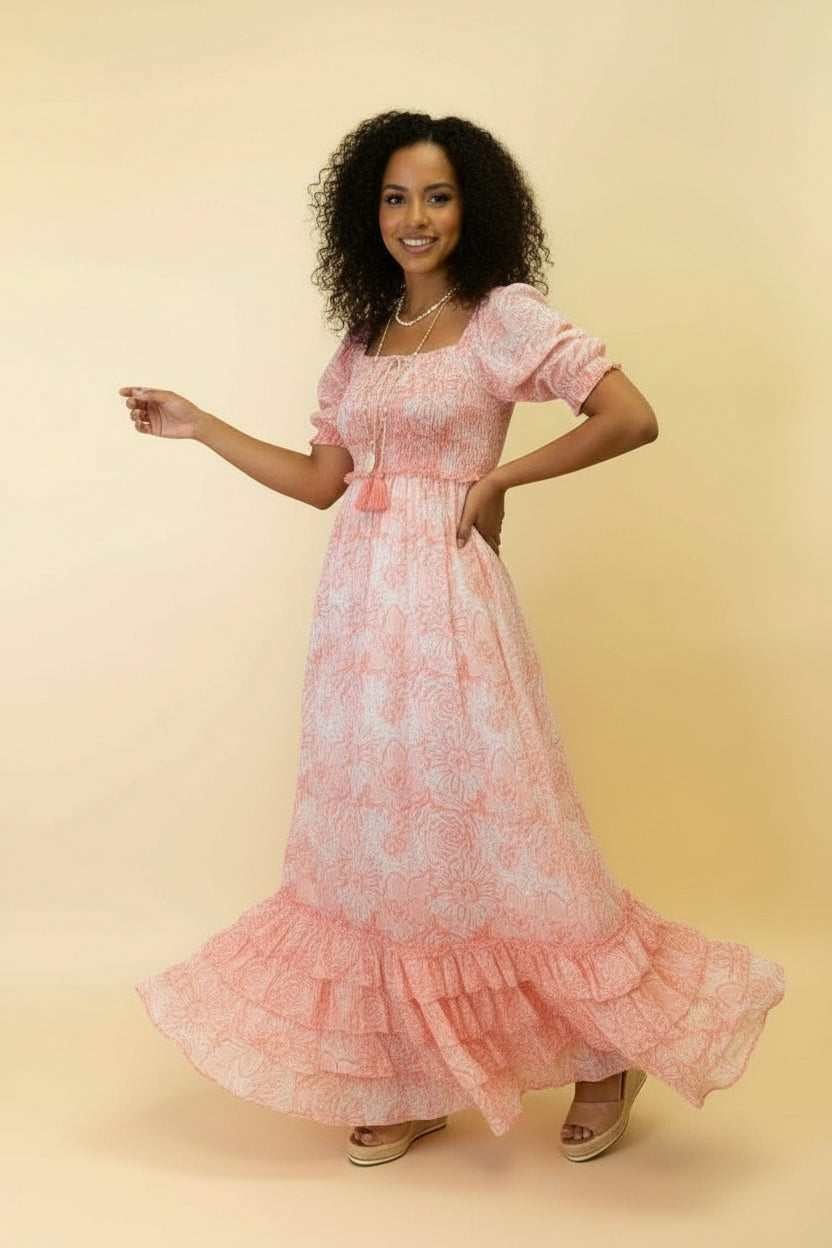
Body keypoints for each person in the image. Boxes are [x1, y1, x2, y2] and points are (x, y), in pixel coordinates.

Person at [120, 109, 786, 1167]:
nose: (413, 217)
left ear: (470, 207)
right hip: (355, 623)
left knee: (506, 832)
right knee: (380, 849)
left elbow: (628, 415)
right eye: (393, 196)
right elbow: (319, 484)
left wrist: (500, 478)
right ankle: (414, 1070)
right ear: (365, 213)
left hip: (447, 602)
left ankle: (604, 1053)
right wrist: (198, 424)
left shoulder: (501, 318)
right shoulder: (366, 335)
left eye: (435, 195)